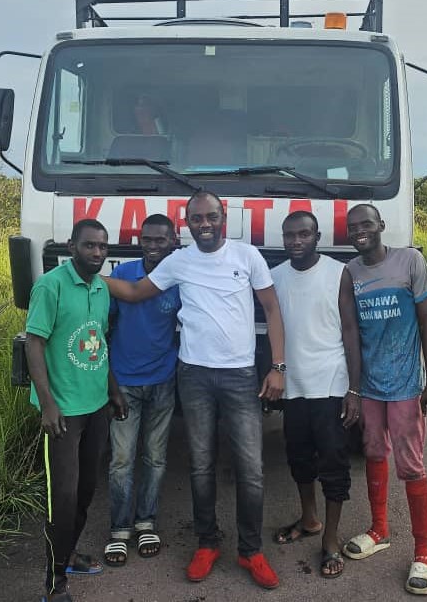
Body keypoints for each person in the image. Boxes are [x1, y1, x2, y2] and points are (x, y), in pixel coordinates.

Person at [104, 191, 285, 590]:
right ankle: (207, 543)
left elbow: (272, 309)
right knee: (201, 465)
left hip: (240, 376)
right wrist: (85, 276)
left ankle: (251, 550)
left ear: (223, 218)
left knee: (251, 469)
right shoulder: (178, 261)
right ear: (187, 224)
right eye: (197, 218)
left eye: (211, 216)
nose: (205, 224)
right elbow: (134, 292)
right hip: (194, 376)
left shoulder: (247, 256)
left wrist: (277, 367)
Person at [342, 204, 427, 596]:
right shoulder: (351, 272)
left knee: (412, 467)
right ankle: (379, 530)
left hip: (405, 387)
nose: (360, 231)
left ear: (381, 226)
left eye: (366, 224)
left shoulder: (410, 261)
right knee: (373, 454)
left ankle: (424, 554)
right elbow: (351, 333)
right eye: (353, 226)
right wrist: (354, 389)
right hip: (370, 388)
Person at [25, 218, 127, 602]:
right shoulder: (50, 286)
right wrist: (47, 404)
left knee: (85, 493)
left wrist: (113, 391)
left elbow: (98, 343)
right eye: (89, 245)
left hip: (96, 406)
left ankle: (66, 557)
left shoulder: (101, 289)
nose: (97, 252)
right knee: (63, 500)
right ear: (72, 247)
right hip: (63, 412)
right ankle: (54, 584)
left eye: (102, 246)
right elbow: (34, 344)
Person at [270, 211, 361, 579]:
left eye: (304, 234)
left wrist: (354, 389)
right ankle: (309, 519)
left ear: (317, 237)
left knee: (334, 462)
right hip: (293, 385)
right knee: (298, 457)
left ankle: (331, 539)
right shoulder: (275, 277)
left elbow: (351, 331)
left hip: (331, 382)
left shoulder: (339, 273)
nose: (296, 241)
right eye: (289, 235)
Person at [104, 214, 180, 567]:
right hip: (124, 383)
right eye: (147, 239)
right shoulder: (122, 275)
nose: (153, 246)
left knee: (155, 457)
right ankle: (119, 529)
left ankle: (146, 522)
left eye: (160, 240)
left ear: (173, 241)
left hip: (163, 380)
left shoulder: (179, 279)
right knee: (121, 460)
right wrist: (110, 383)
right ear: (139, 241)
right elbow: (103, 327)